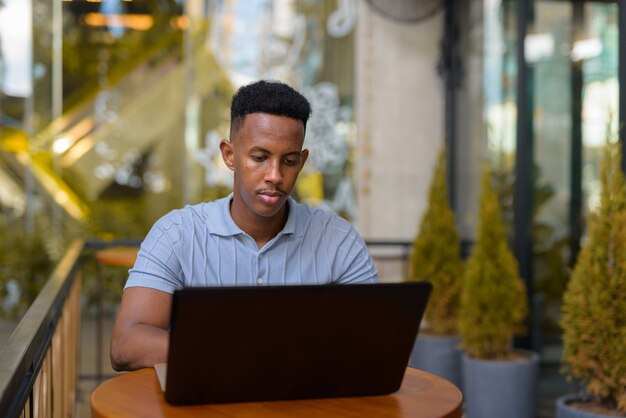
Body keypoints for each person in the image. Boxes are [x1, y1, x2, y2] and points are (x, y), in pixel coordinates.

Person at [110, 80, 379, 371]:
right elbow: (126, 345)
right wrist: (244, 350)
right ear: (229, 155)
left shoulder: (339, 241)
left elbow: (376, 343)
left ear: (301, 162)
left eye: (288, 161)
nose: (275, 175)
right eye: (260, 158)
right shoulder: (177, 233)